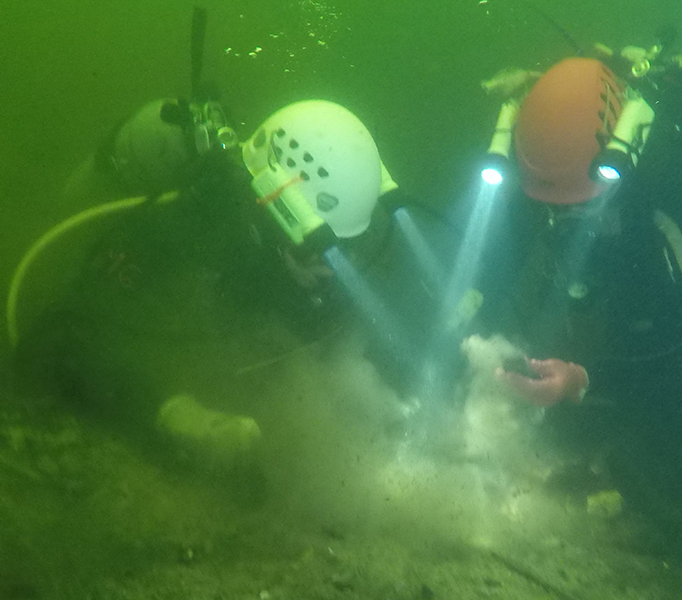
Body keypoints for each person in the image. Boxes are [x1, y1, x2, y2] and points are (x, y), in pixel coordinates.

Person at [8, 93, 414, 488]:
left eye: (345, 245)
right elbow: (55, 340)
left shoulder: (301, 265)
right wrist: (171, 413)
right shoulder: (182, 226)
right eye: (319, 244)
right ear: (277, 211)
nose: (332, 267)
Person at [468, 39, 682, 447]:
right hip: (630, 259)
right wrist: (477, 323)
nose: (562, 217)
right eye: (552, 204)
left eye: (580, 204)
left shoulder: (669, 184)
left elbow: (674, 332)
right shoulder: (542, 161)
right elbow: (509, 255)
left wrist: (581, 380)